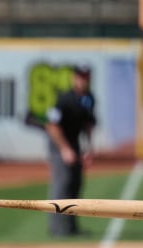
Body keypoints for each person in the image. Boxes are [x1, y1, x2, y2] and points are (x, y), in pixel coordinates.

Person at [44, 63, 96, 237]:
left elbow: (89, 124)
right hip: (59, 144)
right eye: (80, 76)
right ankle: (57, 228)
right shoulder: (64, 99)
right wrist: (65, 149)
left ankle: (72, 227)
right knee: (62, 183)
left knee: (75, 183)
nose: (83, 80)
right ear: (74, 78)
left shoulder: (89, 98)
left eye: (86, 76)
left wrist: (88, 147)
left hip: (75, 144)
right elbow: (52, 126)